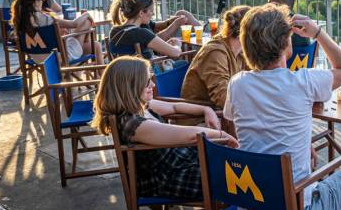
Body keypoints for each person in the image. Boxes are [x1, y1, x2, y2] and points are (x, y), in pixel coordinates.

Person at [224, 3, 341, 210]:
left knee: (305, 164)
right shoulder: (304, 82)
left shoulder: (237, 83)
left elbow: (239, 132)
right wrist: (318, 34)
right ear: (286, 45)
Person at [91, 56, 238, 200]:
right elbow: (190, 135)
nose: (153, 85)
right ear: (130, 86)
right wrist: (221, 134)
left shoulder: (139, 107)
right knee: (233, 175)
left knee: (234, 166)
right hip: (165, 177)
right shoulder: (132, 124)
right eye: (147, 81)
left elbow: (174, 107)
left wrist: (206, 110)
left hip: (179, 162)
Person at [181, 5, 250, 111]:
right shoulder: (215, 52)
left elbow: (255, 81)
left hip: (222, 115)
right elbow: (222, 98)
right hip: (200, 119)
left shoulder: (240, 53)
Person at [11, 0, 103, 64]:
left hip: (36, 59)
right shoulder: (45, 18)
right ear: (35, 2)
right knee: (86, 21)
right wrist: (86, 14)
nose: (42, 1)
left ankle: (87, 60)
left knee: (89, 41)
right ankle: (90, 67)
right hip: (59, 58)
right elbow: (74, 24)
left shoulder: (18, 20)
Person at [108, 0, 183, 60]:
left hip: (120, 74)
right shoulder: (141, 33)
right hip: (145, 74)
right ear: (141, 13)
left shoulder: (114, 30)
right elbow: (176, 53)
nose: (153, 14)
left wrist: (165, 45)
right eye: (151, 11)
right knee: (184, 64)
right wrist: (177, 44)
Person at [121, 0, 199, 39]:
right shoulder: (140, 28)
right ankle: (204, 35)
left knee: (181, 13)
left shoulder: (134, 19)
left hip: (158, 48)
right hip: (159, 53)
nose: (148, 0)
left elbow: (155, 26)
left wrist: (171, 21)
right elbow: (156, 39)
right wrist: (175, 24)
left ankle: (203, 32)